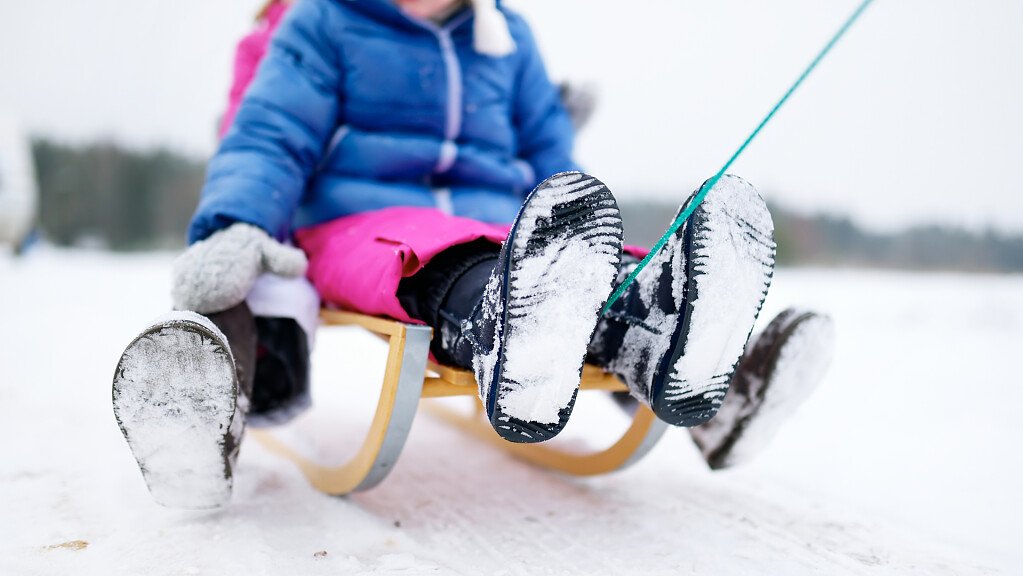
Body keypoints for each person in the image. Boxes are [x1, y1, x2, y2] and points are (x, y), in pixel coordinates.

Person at [112, 0, 832, 509]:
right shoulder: (323, 20)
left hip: (507, 224)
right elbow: (269, 134)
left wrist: (580, 220)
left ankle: (670, 345)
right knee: (459, 259)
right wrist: (238, 223)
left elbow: (550, 153)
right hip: (365, 221)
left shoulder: (506, 37)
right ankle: (507, 332)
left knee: (605, 271)